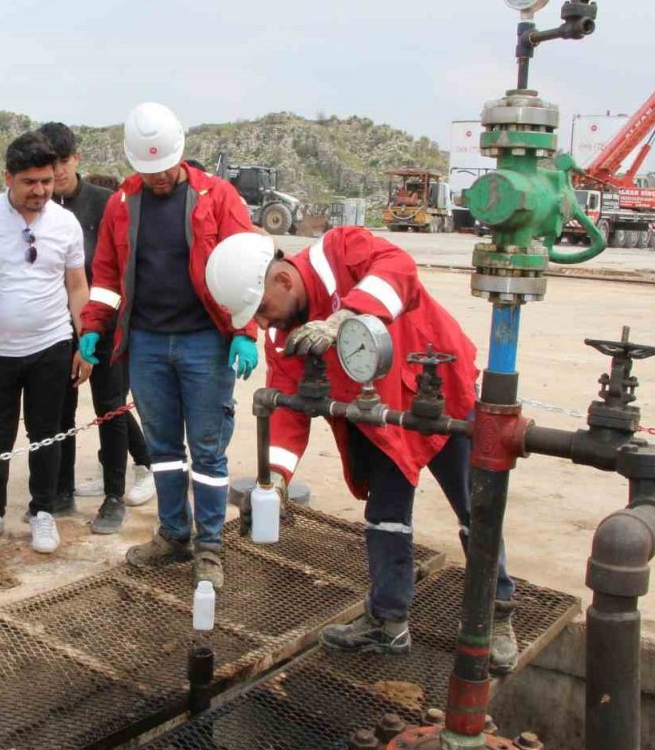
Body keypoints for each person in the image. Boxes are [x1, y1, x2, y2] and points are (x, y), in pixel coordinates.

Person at [204, 229, 519, 672]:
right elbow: (286, 410)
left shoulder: (342, 250)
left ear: (284, 282)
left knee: (476, 510)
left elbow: (399, 270)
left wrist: (343, 319)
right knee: (386, 519)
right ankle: (387, 622)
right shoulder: (283, 334)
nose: (260, 324)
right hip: (380, 420)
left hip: (443, 396)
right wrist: (274, 479)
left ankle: (497, 617)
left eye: (260, 311)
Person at [78, 103, 258, 590]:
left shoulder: (218, 197)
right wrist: (95, 323)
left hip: (204, 342)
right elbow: (108, 275)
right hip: (147, 344)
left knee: (207, 449)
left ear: (179, 154)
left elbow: (246, 270)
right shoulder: (122, 203)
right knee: (162, 449)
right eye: (146, 170)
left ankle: (211, 545)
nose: (156, 179)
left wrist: (244, 332)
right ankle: (174, 534)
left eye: (162, 169)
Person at [0, 131, 90, 555]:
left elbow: (77, 286)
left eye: (47, 182)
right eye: (30, 182)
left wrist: (85, 343)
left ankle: (43, 512)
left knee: (46, 433)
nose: (40, 191)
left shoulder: (65, 224)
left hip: (51, 344)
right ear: (8, 178)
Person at [38, 121, 153, 535]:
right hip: (57, 326)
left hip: (105, 324)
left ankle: (113, 497)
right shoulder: (41, 210)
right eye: (50, 164)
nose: (58, 173)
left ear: (76, 159)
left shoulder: (108, 203)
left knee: (111, 409)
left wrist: (115, 322)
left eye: (63, 162)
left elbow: (125, 269)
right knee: (60, 411)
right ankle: (62, 490)